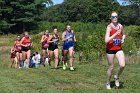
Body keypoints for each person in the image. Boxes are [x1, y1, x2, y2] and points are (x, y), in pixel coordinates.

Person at [105, 11, 126, 89]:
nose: (115, 18)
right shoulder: (109, 27)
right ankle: (107, 83)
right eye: (113, 17)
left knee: (122, 65)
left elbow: (123, 34)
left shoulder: (120, 26)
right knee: (111, 67)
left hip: (118, 48)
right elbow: (106, 40)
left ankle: (116, 76)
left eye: (116, 16)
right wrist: (114, 34)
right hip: (110, 49)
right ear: (110, 18)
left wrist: (123, 38)